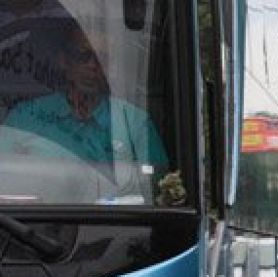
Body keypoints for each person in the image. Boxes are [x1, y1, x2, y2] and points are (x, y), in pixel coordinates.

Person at [0, 20, 167, 169]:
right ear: (64, 61)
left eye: (101, 58)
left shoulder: (134, 124)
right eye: (83, 56)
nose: (92, 66)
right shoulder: (26, 116)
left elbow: (158, 191)